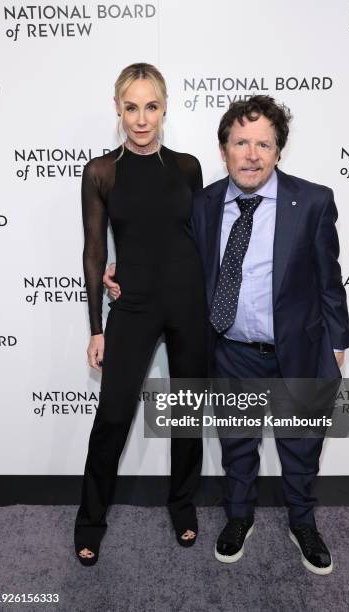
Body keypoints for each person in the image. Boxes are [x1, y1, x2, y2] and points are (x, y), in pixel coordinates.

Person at [106, 95, 349, 575]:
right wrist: (123, 270)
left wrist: (338, 342)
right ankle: (239, 518)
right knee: (238, 446)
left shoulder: (313, 201)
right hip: (233, 351)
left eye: (263, 144)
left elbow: (329, 278)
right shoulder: (204, 204)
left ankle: (303, 523)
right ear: (224, 150)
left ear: (279, 151)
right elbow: (171, 258)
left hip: (297, 349)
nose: (252, 154)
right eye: (241, 142)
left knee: (300, 448)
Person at [74, 62, 208, 566]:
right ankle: (90, 520)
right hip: (130, 305)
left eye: (151, 106)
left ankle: (182, 504)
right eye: (131, 107)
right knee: (111, 416)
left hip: (189, 302)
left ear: (165, 107)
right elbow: (92, 251)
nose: (141, 119)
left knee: (188, 412)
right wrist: (95, 325)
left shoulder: (188, 168)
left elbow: (202, 240)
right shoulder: (101, 172)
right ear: (118, 109)